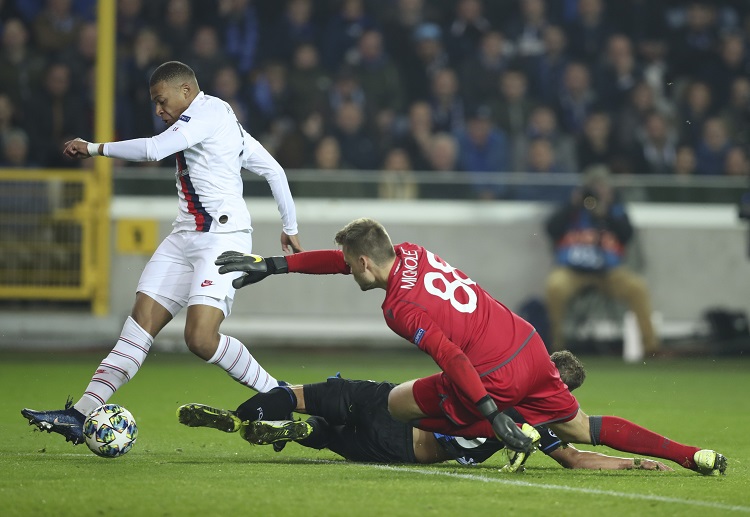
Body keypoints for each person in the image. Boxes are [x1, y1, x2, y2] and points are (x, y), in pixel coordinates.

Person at [213, 217, 727, 475]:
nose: (346, 270)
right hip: (525, 342)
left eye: (349, 265)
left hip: (489, 376)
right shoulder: (410, 251)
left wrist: (489, 408)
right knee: (583, 426)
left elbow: (453, 357)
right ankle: (691, 455)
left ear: (366, 264)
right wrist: (275, 265)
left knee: (395, 404)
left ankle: (496, 429)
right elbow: (345, 255)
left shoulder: (398, 308)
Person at [21, 61, 303, 446]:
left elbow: (154, 150)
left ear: (186, 91)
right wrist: (290, 227)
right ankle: (80, 413)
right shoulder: (223, 125)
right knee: (138, 327)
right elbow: (274, 170)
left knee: (201, 339)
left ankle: (280, 396)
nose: (158, 110)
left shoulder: (207, 113)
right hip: (184, 236)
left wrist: (93, 148)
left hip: (222, 238)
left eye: (161, 100)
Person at [177, 351, 672, 472]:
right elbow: (578, 459)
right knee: (327, 436)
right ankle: (305, 431)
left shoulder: (496, 366)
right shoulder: (537, 420)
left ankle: (243, 417)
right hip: (407, 447)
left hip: (386, 396)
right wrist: (634, 461)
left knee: (300, 391)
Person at [545, 166, 660, 354]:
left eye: (602, 187)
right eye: (593, 187)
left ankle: (652, 348)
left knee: (637, 287)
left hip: (609, 273)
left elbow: (627, 235)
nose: (598, 192)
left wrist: (605, 213)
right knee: (554, 286)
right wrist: (573, 205)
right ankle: (557, 349)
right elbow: (551, 228)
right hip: (573, 271)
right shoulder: (572, 210)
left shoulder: (615, 210)